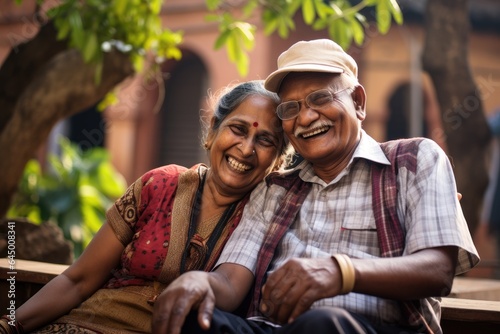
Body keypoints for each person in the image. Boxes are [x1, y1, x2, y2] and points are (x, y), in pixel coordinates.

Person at [151, 39, 480, 334]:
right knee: (194, 317)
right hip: (269, 328)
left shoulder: (413, 160)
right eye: (290, 108)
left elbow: (438, 270)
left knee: (321, 324)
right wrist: (200, 282)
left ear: (359, 102)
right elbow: (231, 280)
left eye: (320, 98)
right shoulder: (275, 189)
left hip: (364, 327)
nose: (306, 118)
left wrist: (340, 272)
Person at [0, 80, 293, 334]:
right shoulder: (158, 185)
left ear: (277, 160)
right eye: (238, 129)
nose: (246, 148)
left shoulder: (264, 219)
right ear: (213, 131)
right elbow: (78, 281)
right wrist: (11, 324)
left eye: (265, 139)